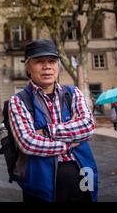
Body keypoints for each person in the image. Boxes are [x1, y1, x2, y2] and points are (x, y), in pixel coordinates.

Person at [8, 39, 98, 202]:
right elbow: (28, 142)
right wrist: (70, 142)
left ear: (58, 65)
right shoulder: (18, 101)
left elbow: (88, 126)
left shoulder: (73, 93)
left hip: (84, 174)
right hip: (41, 185)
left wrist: (48, 131)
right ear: (28, 67)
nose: (47, 66)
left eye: (52, 61)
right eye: (39, 62)